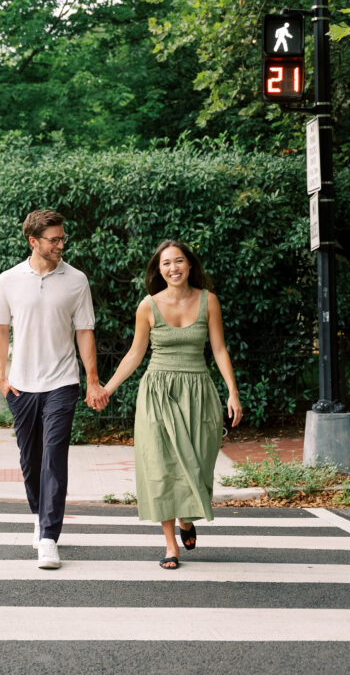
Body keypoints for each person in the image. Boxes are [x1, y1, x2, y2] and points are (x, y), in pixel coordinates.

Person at [102, 239, 242, 570]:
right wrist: (107, 388)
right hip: (157, 394)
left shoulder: (209, 301)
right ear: (159, 270)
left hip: (197, 392)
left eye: (178, 261)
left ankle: (187, 520)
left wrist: (232, 392)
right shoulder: (148, 306)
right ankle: (170, 545)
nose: (173, 268)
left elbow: (219, 349)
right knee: (161, 468)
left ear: (189, 265)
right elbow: (136, 354)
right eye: (166, 263)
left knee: (196, 464)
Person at [0, 209, 108, 570]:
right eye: (54, 239)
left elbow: (84, 331)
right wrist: (1, 375)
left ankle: (48, 537)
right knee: (30, 460)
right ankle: (38, 513)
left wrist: (91, 379)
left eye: (62, 238)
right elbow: (0, 329)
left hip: (62, 381)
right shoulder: (9, 279)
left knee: (54, 456)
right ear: (33, 241)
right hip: (22, 385)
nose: (61, 244)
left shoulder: (76, 280)